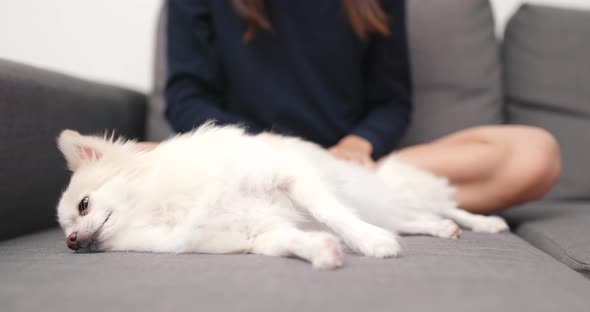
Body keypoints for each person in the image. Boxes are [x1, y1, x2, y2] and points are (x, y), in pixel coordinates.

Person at [144, 0, 561, 214]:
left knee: (535, 155)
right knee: (122, 166)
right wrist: (268, 152)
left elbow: (392, 101)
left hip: (346, 167)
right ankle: (325, 205)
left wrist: (360, 143)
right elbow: (185, 98)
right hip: (246, 165)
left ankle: (330, 202)